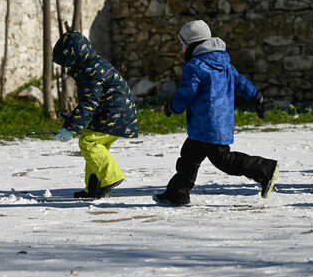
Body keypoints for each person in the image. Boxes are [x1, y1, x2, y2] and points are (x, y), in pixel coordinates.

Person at [153, 20, 279, 206]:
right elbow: (241, 82)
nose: (181, 48)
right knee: (188, 157)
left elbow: (187, 93)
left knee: (224, 160)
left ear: (192, 44)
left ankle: (265, 168)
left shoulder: (194, 66)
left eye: (183, 44)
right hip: (209, 124)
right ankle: (177, 193)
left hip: (208, 125)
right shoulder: (224, 62)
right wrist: (257, 97)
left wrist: (173, 107)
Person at [52, 31, 138, 199]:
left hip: (115, 113)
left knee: (88, 142)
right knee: (95, 145)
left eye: (68, 63)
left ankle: (112, 177)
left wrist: (70, 128)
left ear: (75, 58)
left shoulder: (91, 71)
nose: (68, 67)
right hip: (117, 112)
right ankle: (93, 188)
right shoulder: (93, 65)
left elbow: (89, 103)